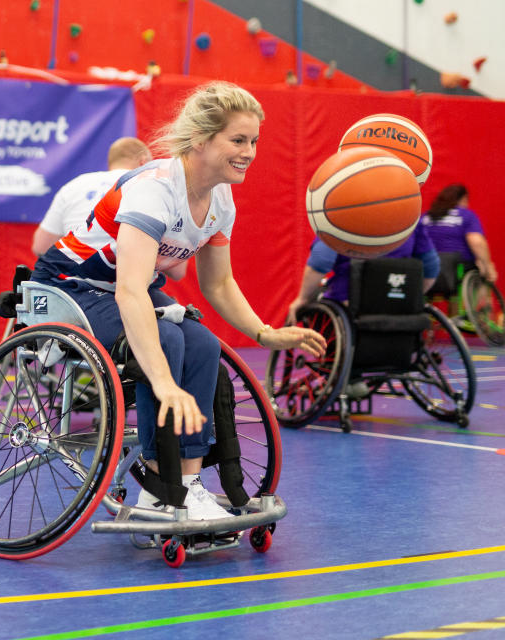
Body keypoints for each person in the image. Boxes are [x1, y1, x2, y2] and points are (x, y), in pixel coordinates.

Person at [31, 81, 326, 520]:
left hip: (123, 287)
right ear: (202, 140)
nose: (250, 152)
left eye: (255, 141)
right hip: (72, 286)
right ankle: (157, 488)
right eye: (239, 140)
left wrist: (264, 333)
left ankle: (187, 485)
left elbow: (219, 284)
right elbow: (131, 289)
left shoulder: (221, 198)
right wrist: (165, 383)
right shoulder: (155, 189)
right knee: (165, 341)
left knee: (204, 343)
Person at [286, 222, 440, 325]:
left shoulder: (338, 214)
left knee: (314, 299)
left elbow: (321, 261)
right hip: (398, 304)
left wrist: (302, 299)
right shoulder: (410, 216)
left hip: (349, 304)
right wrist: (410, 298)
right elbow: (431, 268)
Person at [31, 137, 153, 256]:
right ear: (143, 161)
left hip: (74, 270)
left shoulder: (75, 184)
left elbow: (41, 246)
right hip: (125, 271)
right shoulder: (148, 186)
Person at [421, 183, 497, 284]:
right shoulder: (466, 215)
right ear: (463, 199)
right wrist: (488, 266)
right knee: (482, 268)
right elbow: (476, 242)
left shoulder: (425, 217)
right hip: (458, 269)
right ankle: (486, 299)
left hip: (426, 267)